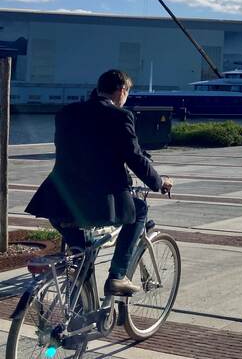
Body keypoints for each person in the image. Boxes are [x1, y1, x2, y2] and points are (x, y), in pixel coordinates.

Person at [26, 69, 173, 296]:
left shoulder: (66, 112)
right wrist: (159, 182)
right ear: (121, 90)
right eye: (127, 93)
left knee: (81, 256)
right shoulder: (120, 116)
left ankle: (78, 306)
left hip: (57, 199)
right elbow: (133, 156)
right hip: (96, 201)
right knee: (140, 210)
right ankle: (118, 276)